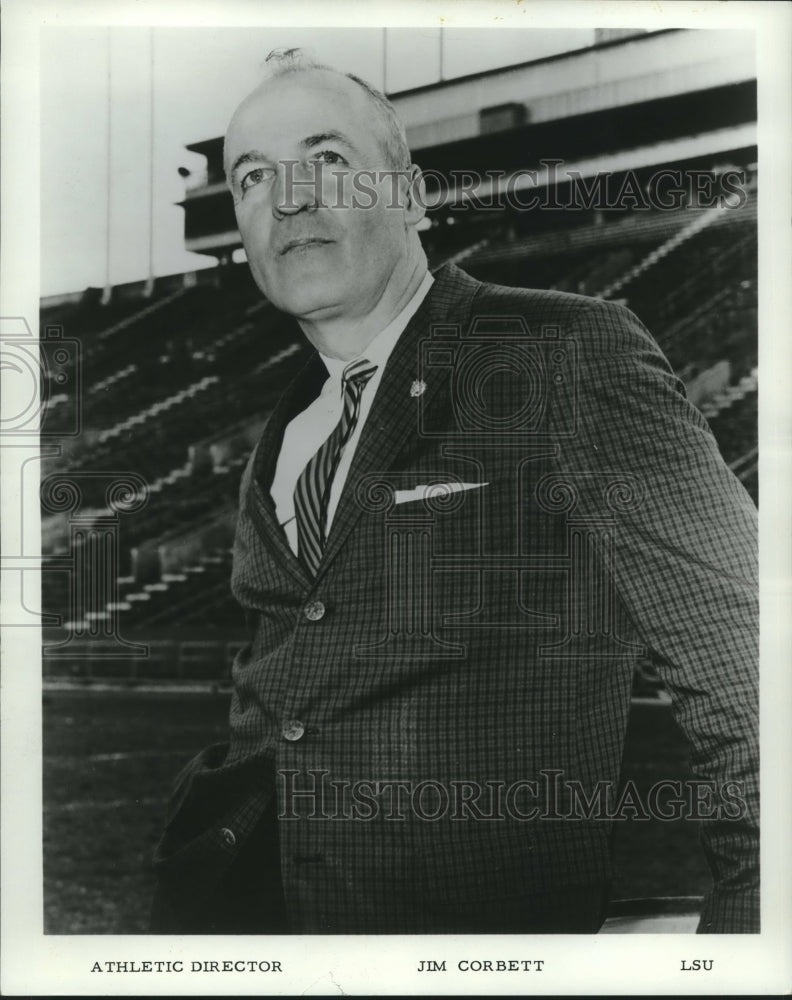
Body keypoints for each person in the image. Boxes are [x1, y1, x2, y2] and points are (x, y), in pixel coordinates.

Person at [151, 49, 758, 934]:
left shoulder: (561, 353)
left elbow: (754, 678)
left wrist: (752, 945)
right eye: (252, 178)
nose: (288, 198)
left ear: (410, 193)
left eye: (328, 161)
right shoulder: (283, 436)